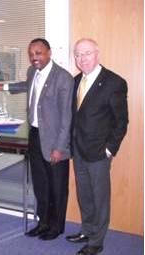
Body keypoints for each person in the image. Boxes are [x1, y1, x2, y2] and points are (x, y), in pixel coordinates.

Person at [0, 38, 74, 240]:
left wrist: (60, 147)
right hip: (34, 135)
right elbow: (26, 85)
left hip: (55, 139)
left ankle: (56, 227)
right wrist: (3, 87)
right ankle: (43, 222)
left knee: (57, 185)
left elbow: (67, 117)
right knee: (40, 184)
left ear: (49, 52)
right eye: (31, 54)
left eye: (38, 53)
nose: (34, 58)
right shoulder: (33, 72)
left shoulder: (64, 78)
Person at [66, 38, 128, 255]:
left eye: (86, 53)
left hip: (99, 153)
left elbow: (121, 122)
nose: (81, 59)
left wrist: (110, 149)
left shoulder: (114, 82)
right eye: (77, 54)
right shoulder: (74, 81)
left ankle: (96, 241)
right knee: (85, 195)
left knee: (100, 197)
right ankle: (87, 230)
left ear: (97, 54)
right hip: (79, 150)